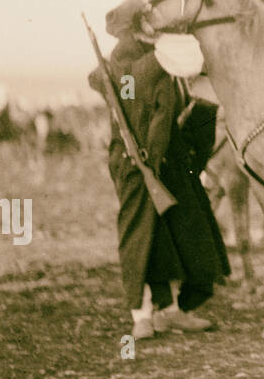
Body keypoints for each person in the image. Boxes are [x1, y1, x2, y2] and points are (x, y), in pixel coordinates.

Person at [89, 32, 230, 340]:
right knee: (138, 235)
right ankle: (140, 315)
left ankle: (168, 311)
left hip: (166, 161)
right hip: (135, 162)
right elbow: (114, 82)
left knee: (174, 234)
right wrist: (148, 164)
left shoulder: (163, 62)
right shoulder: (130, 57)